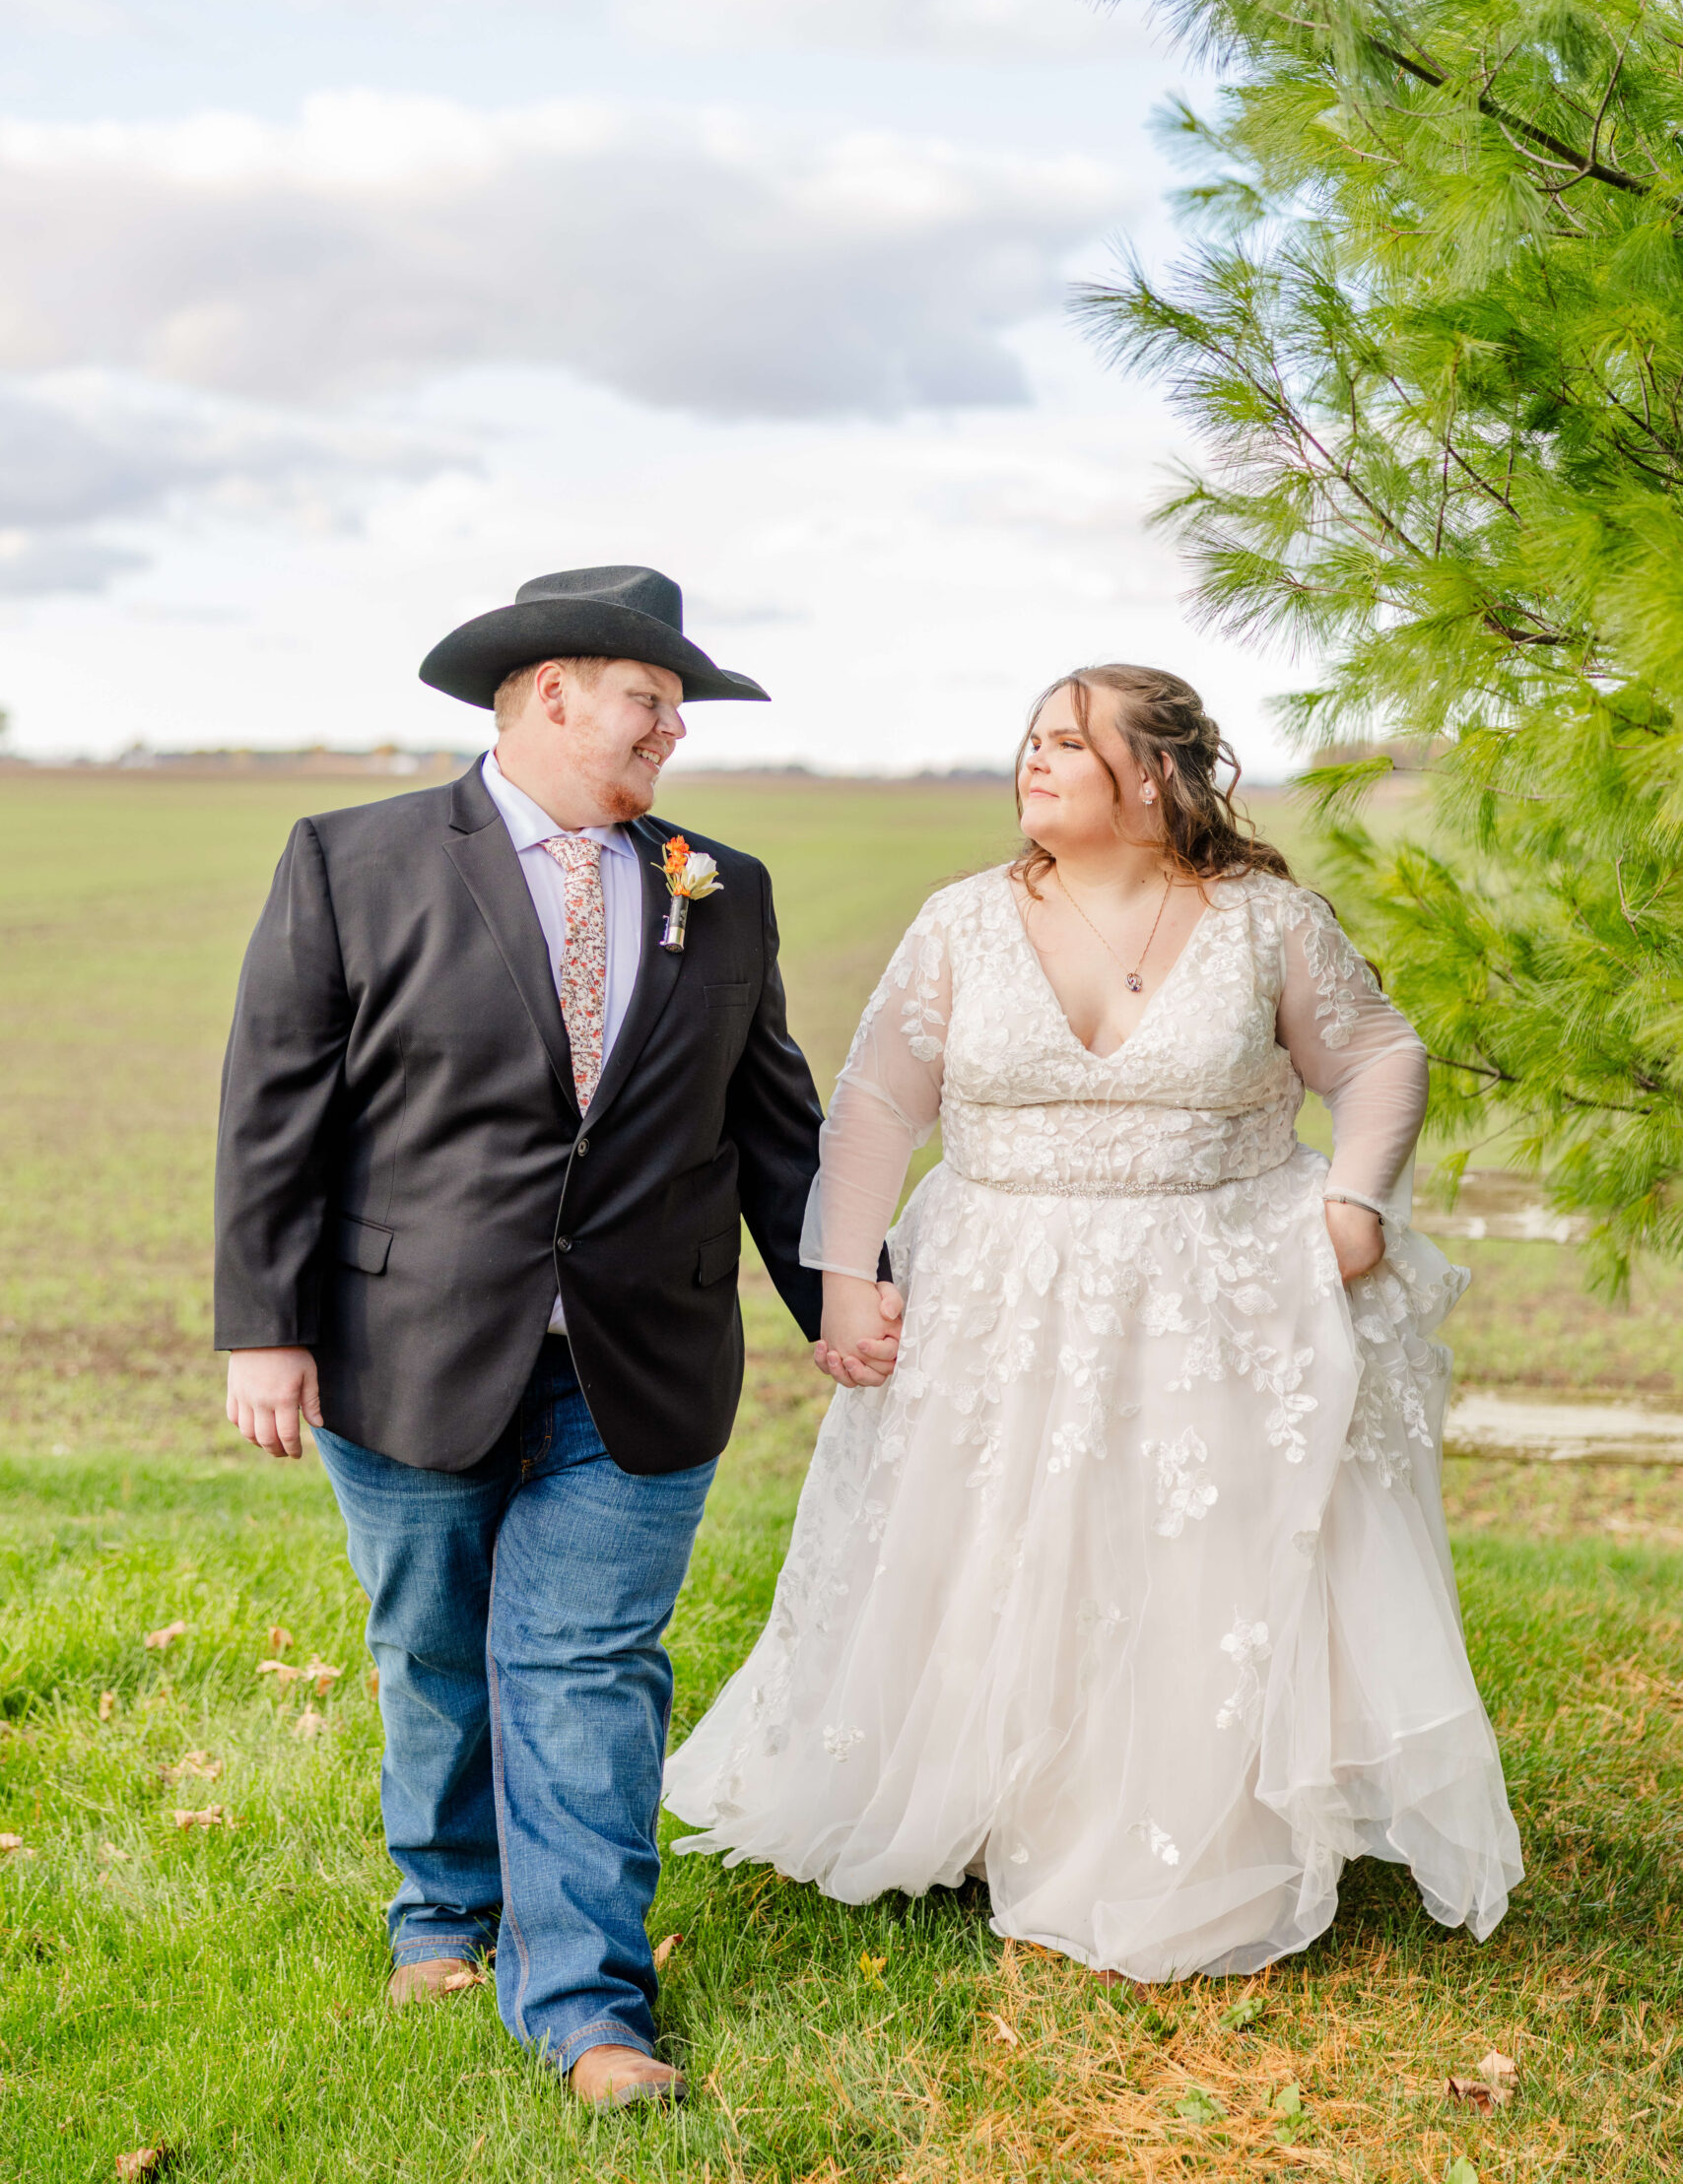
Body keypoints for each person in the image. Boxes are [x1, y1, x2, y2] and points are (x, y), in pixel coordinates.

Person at [665, 663, 1522, 1980]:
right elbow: (881, 1102)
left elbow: (1379, 1058)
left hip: (1217, 1284)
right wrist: (845, 1276)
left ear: (1161, 775)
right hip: (998, 1290)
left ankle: (1186, 1829)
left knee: (1190, 1555)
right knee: (997, 1547)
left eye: (1071, 742)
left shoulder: (1265, 924)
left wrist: (1356, 1199)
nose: (1035, 761)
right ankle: (986, 1804)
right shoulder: (960, 922)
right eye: (1031, 740)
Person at [214, 563, 900, 2108]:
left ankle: (589, 2007)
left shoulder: (723, 884)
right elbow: (273, 1114)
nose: (673, 731)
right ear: (551, 695)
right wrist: (265, 1329)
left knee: (588, 1664)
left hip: (643, 1357)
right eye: (654, 702)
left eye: (679, 710)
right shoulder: (353, 861)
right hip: (401, 1348)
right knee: (437, 1652)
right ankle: (443, 1908)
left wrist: (840, 1291)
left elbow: (770, 1115)